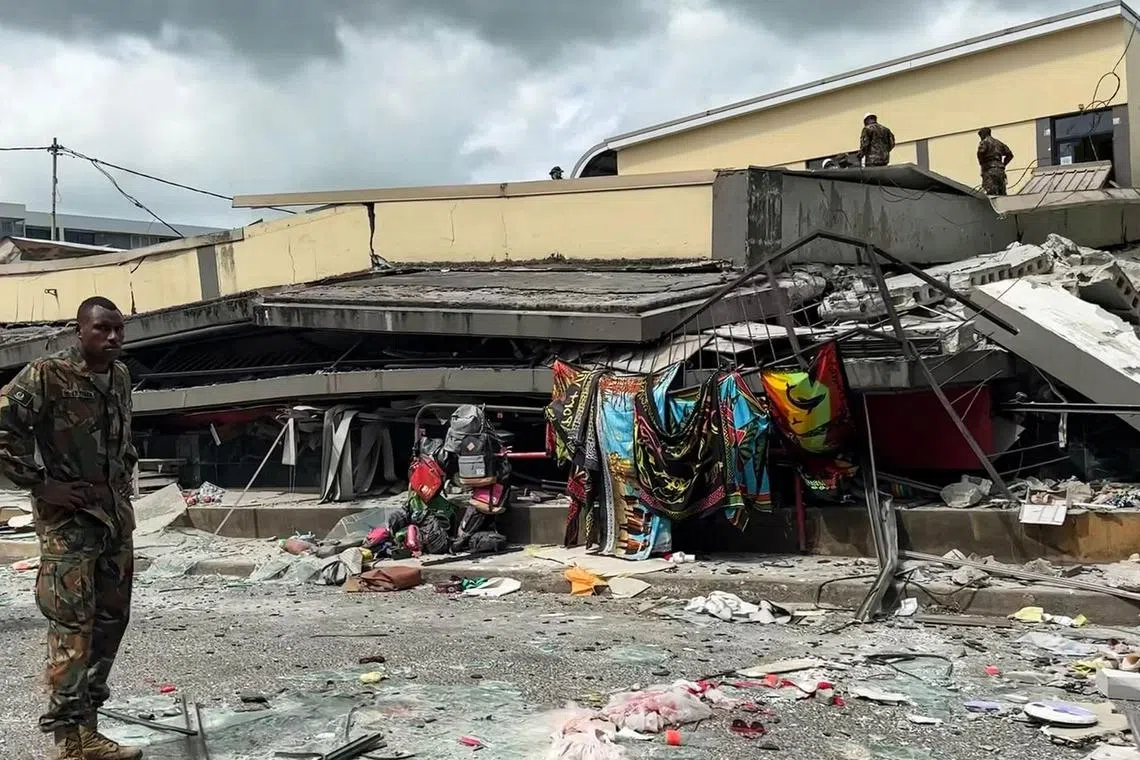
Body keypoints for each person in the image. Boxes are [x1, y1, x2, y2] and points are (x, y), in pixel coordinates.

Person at [0, 296, 141, 760]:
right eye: (102, 328)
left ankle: (89, 731)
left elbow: (122, 439)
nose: (113, 337)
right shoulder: (47, 374)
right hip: (70, 525)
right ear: (79, 331)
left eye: (118, 329)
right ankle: (69, 742)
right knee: (72, 629)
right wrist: (42, 485)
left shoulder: (119, 376)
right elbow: (3, 430)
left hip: (113, 519)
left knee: (110, 622)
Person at [977, 127, 1014, 196]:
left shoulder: (984, 142)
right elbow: (1010, 155)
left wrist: (982, 164)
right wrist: (1003, 164)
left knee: (991, 193)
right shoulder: (999, 143)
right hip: (1000, 170)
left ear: (983, 134)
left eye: (980, 135)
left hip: (989, 170)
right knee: (1002, 193)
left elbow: (981, 153)